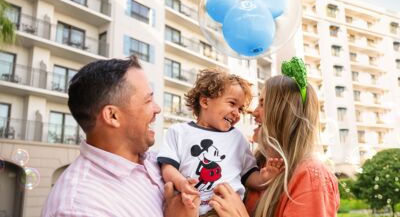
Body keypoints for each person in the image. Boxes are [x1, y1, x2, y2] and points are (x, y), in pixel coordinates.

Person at [41, 56, 199, 217]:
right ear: (113, 115)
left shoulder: (158, 161)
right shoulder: (80, 207)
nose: (157, 108)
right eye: (148, 100)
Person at [209, 57, 340, 217]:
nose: (253, 112)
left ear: (285, 115)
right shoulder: (255, 165)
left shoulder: (311, 177)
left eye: (263, 104)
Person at [157, 68, 282, 217]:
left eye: (240, 109)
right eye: (232, 103)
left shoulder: (238, 139)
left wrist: (264, 178)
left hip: (224, 211)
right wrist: (181, 183)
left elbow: (248, 176)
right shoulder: (178, 132)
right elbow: (168, 167)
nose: (237, 113)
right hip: (187, 206)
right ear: (205, 101)